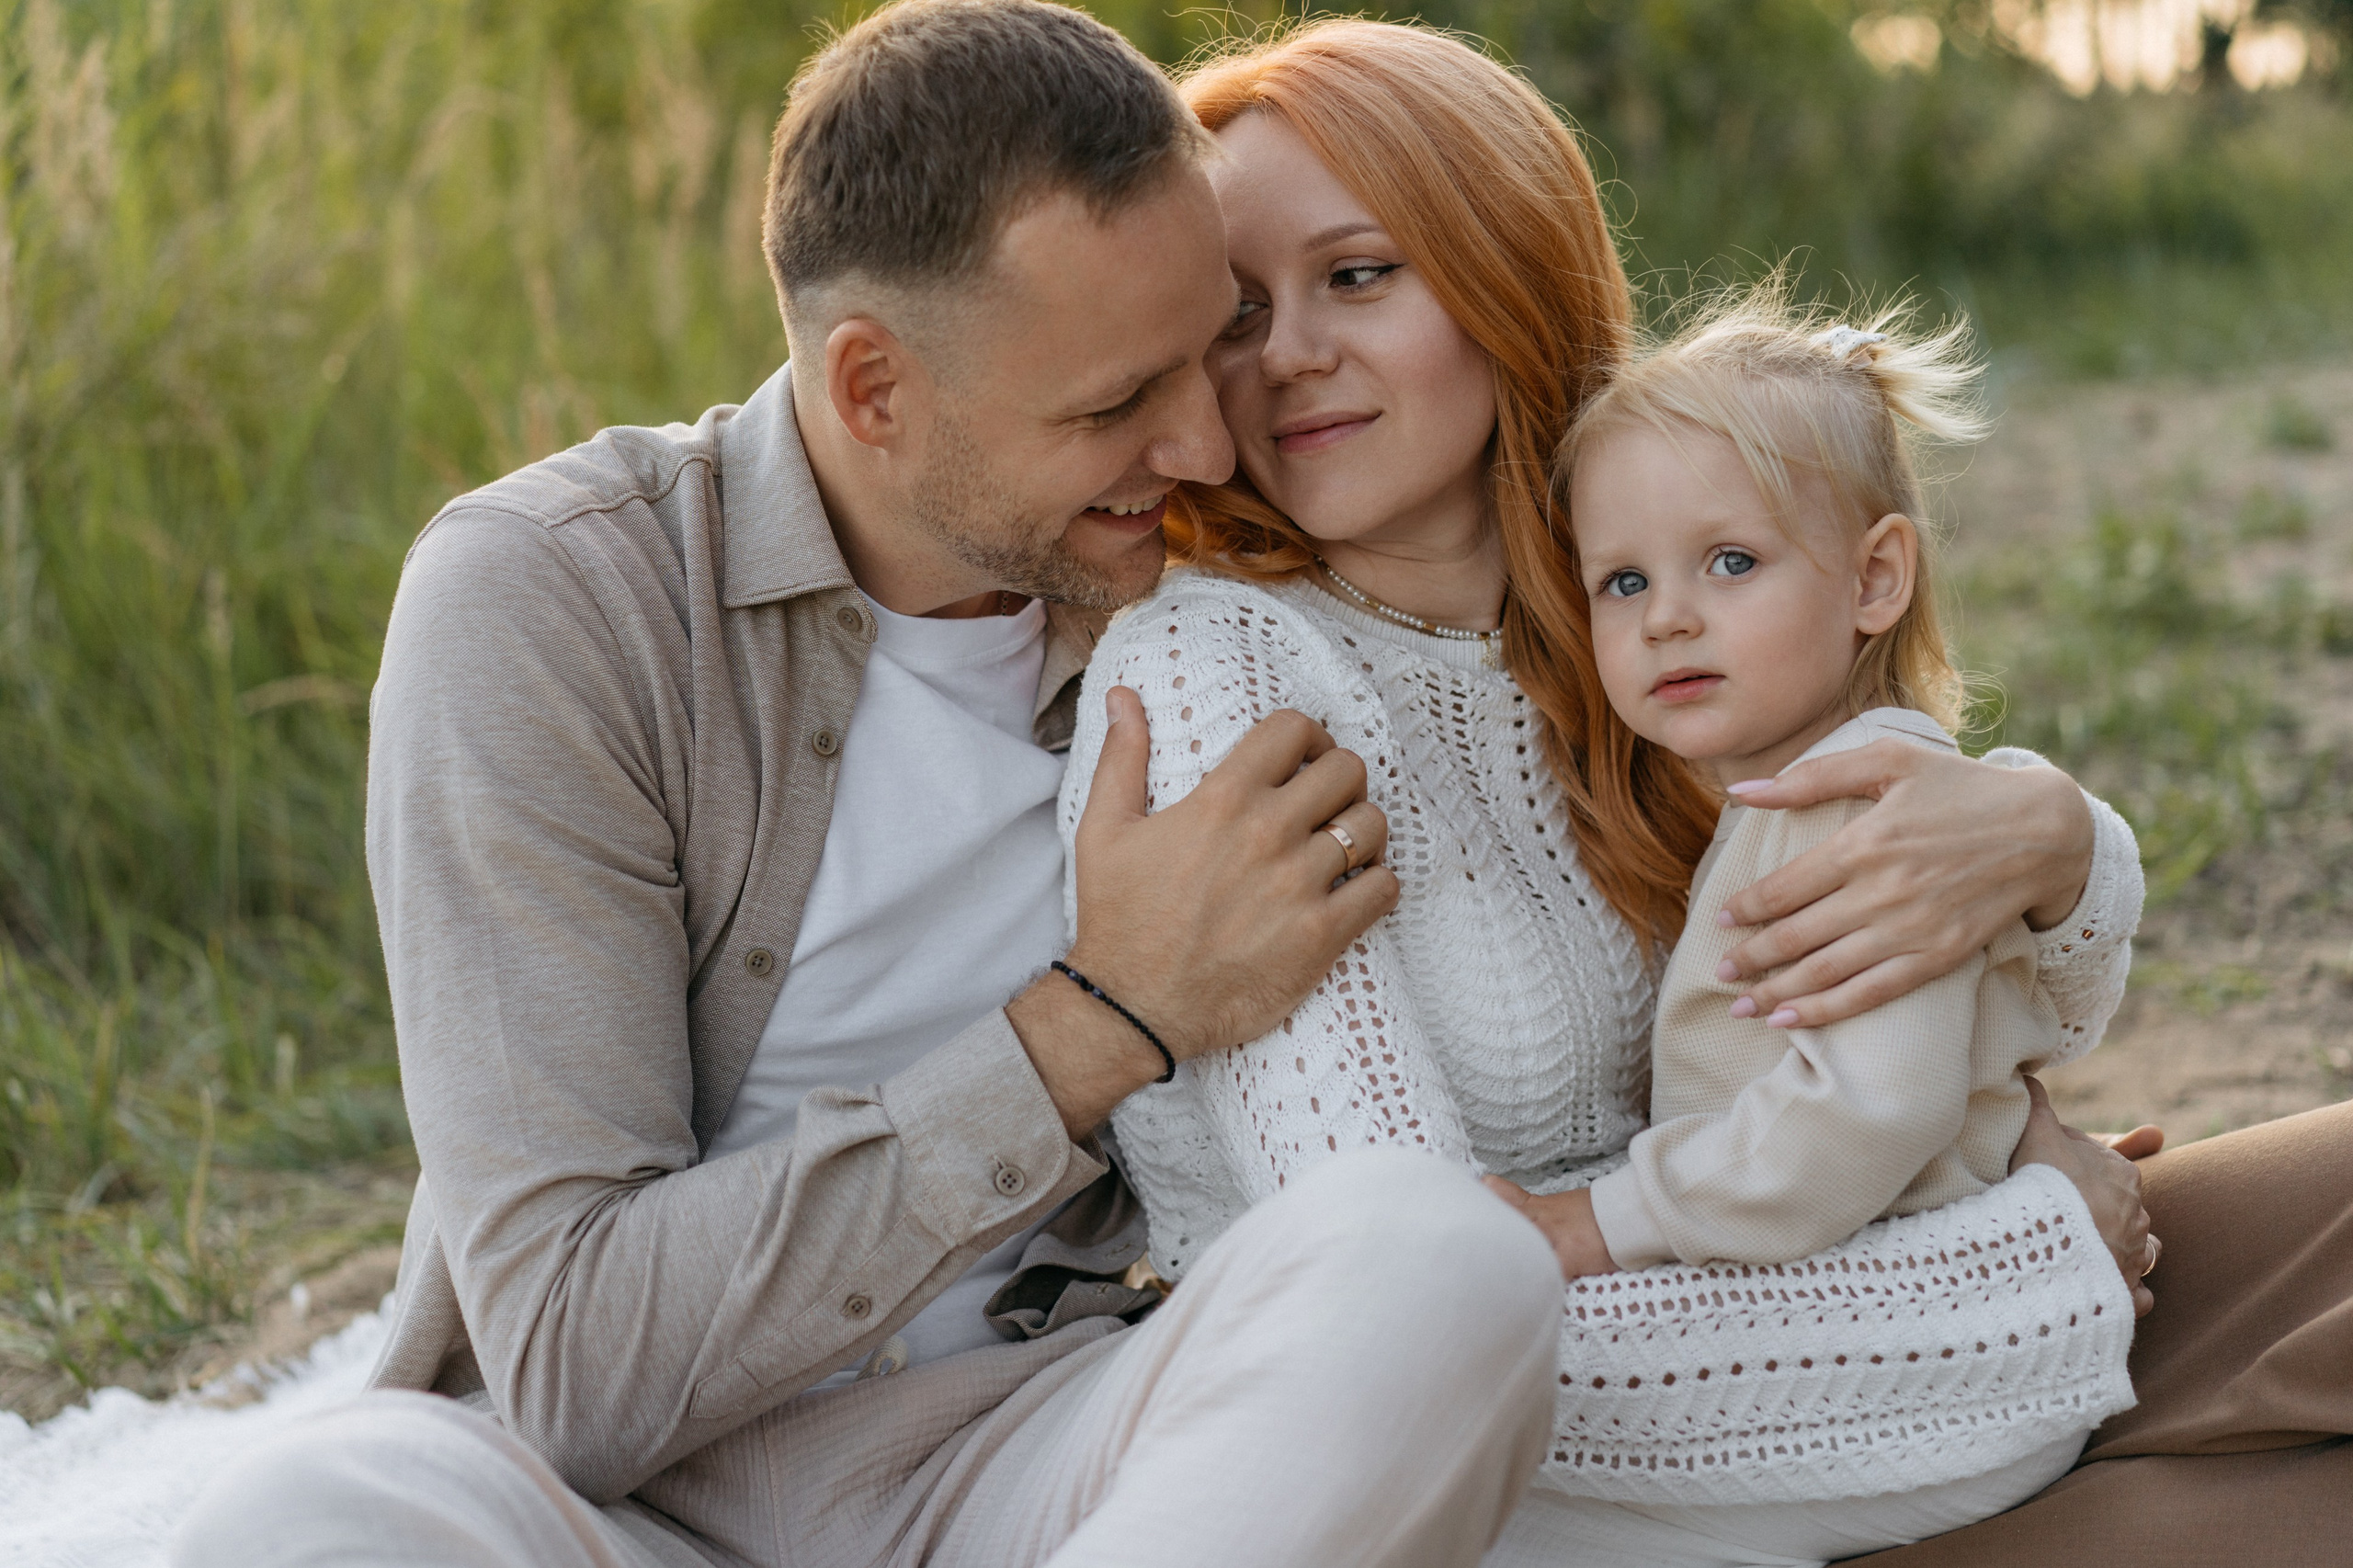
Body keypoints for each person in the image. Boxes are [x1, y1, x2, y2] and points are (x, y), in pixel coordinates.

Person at [172, 6, 2165, 1566]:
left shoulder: (1226, 574)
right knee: (295, 1525)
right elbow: (584, 1366)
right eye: (1142, 383)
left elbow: (1773, 963)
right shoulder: (571, 601)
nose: (1225, 414)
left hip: (1061, 1447)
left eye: (1225, 337)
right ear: (877, 392)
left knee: (1424, 1274)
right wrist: (1095, 1025)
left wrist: (2050, 844)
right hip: (602, 1490)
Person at [1050, 18, 2353, 1568]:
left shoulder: (1628, 609)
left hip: (1852, 1366)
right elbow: (1398, 1352)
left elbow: (2003, 992)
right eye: (1239, 311)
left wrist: (2057, 846)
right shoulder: (1221, 673)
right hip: (1577, 1483)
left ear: (1506, 269)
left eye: (1358, 274)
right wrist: (2032, 1267)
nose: (1287, 355)